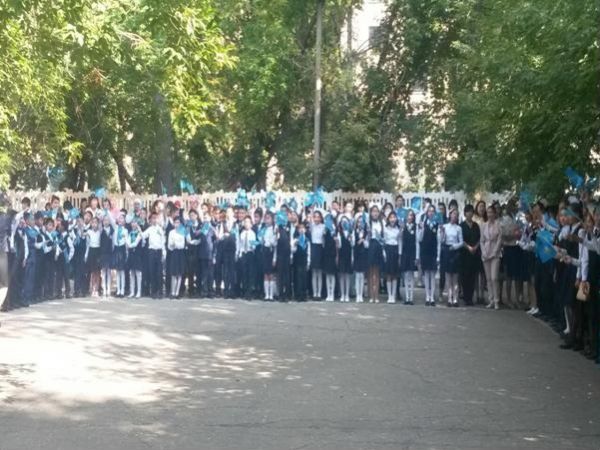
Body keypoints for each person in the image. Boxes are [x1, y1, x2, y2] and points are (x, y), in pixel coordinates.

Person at [440, 209, 464, 307]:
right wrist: (442, 232)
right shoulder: (445, 226)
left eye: (456, 215)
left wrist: (454, 246)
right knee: (448, 276)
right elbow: (442, 240)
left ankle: (455, 298)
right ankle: (449, 298)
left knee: (455, 277)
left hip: (455, 251)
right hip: (447, 250)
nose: (454, 216)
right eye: (453, 214)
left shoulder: (459, 228)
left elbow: (461, 242)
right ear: (449, 215)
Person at [481, 205, 502, 309]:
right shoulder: (483, 225)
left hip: (495, 253)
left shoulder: (498, 225)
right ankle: (491, 299)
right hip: (486, 251)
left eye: (491, 212)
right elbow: (481, 240)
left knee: (494, 278)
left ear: (494, 213)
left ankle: (497, 300)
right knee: (488, 278)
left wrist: (495, 251)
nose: (489, 214)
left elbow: (500, 239)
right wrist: (484, 251)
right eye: (488, 212)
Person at [418, 205, 440, 306]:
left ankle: (432, 297)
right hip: (425, 252)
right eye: (429, 211)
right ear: (427, 213)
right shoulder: (423, 223)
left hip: (433, 251)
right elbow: (419, 239)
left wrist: (438, 256)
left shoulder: (437, 225)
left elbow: (439, 241)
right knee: (426, 274)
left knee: (433, 275)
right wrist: (422, 228)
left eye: (432, 211)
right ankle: (427, 296)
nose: (431, 213)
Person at [460, 205, 480, 306]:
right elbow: (460, 239)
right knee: (465, 276)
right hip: (464, 254)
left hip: (474, 254)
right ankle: (466, 296)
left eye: (471, 211)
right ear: (465, 213)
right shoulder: (461, 226)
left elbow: (479, 238)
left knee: (472, 276)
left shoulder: (476, 226)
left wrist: (475, 247)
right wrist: (468, 247)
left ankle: (470, 297)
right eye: (468, 212)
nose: (470, 213)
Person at [142, 212, 165, 299]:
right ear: (150, 220)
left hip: (159, 251)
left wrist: (163, 252)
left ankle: (160, 291)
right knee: (152, 271)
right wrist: (139, 229)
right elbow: (143, 236)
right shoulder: (149, 229)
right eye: (153, 218)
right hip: (151, 251)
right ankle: (153, 291)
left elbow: (163, 241)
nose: (154, 220)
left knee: (159, 272)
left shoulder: (160, 229)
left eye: (156, 218)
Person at [399, 209, 418, 305]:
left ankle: (411, 297)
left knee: (411, 275)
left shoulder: (416, 227)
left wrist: (417, 256)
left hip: (412, 253)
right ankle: (407, 297)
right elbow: (400, 240)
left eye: (411, 215)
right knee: (406, 275)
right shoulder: (403, 227)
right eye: (408, 215)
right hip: (405, 253)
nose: (410, 217)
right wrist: (400, 254)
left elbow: (417, 242)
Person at [366, 205, 384, 303]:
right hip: (370, 246)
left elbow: (383, 237)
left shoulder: (382, 223)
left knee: (377, 273)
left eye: (377, 211)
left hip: (378, 247)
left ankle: (376, 295)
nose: (375, 213)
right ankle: (370, 295)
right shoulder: (368, 223)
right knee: (370, 272)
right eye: (373, 211)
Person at [236, 215, 256, 299]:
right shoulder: (242, 233)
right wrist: (238, 253)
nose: (246, 224)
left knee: (250, 273)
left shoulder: (252, 233)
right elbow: (239, 244)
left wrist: (252, 246)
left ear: (251, 224)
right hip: (243, 254)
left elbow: (254, 245)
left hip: (250, 253)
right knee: (244, 273)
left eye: (248, 222)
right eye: (245, 222)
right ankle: (244, 291)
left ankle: (249, 292)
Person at [383, 211, 401, 304]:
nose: (392, 219)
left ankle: (393, 295)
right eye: (391, 217)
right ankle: (389, 295)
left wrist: (399, 254)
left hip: (395, 250)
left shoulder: (398, 229)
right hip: (388, 250)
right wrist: (384, 253)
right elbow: (384, 241)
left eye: (394, 217)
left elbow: (400, 242)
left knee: (394, 274)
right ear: (388, 219)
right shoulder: (385, 229)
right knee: (388, 274)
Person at [167, 216, 186, 299]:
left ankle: (177, 292)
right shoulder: (171, 232)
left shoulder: (183, 231)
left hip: (180, 253)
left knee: (179, 274)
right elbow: (169, 245)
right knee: (173, 274)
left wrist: (175, 243)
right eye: (175, 222)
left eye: (178, 222)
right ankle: (173, 292)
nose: (177, 224)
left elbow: (182, 245)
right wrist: (175, 244)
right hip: (174, 253)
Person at [260, 211, 277, 301]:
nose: (267, 220)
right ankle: (266, 294)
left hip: (271, 251)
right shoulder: (263, 229)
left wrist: (274, 258)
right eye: (266, 218)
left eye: (269, 218)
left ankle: (271, 295)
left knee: (271, 274)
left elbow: (275, 244)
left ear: (272, 219)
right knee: (266, 274)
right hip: (265, 251)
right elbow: (261, 240)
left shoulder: (274, 229)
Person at [309, 210, 325, 300]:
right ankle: (314, 293)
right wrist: (311, 210)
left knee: (319, 272)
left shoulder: (323, 226)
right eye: (315, 217)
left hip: (320, 248)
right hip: (313, 248)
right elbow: (309, 220)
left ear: (321, 218)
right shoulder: (312, 226)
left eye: (318, 217)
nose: (316, 218)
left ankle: (319, 293)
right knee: (314, 272)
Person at [353, 213, 369, 303]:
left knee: (362, 275)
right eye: (358, 222)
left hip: (363, 254)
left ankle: (361, 294)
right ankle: (357, 294)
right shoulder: (354, 231)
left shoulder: (366, 233)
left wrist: (363, 240)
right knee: (357, 275)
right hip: (356, 254)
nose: (360, 224)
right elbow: (353, 243)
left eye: (361, 222)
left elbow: (367, 245)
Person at [337, 215, 353, 302]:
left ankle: (347, 294)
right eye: (342, 222)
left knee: (347, 275)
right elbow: (338, 246)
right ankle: (342, 294)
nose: (344, 223)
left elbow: (353, 245)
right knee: (342, 275)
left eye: (346, 221)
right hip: (341, 255)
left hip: (348, 255)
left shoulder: (351, 232)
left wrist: (351, 239)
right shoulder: (339, 233)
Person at [112, 214, 129, 298]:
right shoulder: (115, 228)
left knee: (122, 271)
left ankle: (122, 290)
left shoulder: (125, 230)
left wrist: (127, 252)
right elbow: (111, 220)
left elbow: (126, 241)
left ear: (124, 221)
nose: (120, 220)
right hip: (116, 249)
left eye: (122, 218)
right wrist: (107, 211)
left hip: (122, 250)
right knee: (117, 271)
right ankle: (118, 290)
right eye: (119, 218)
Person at [126, 220, 144, 298]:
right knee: (132, 273)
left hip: (137, 255)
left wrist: (129, 245)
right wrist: (128, 245)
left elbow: (136, 243)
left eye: (135, 223)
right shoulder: (130, 233)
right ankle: (132, 291)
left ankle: (139, 291)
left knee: (138, 274)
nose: (133, 224)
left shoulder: (139, 233)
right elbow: (127, 241)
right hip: (131, 255)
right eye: (132, 223)